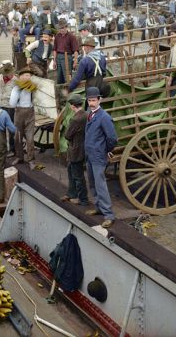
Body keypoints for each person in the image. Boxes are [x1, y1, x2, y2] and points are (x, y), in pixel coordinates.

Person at [84, 87, 117, 229]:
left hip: (98, 156)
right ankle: (98, 207)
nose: (91, 103)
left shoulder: (104, 117)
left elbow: (112, 138)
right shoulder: (89, 115)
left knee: (100, 184)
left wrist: (106, 150)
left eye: (94, 100)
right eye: (89, 100)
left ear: (99, 100)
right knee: (92, 182)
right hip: (89, 155)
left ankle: (109, 215)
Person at [62, 94, 89, 206]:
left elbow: (67, 135)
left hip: (76, 150)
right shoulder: (87, 115)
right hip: (83, 147)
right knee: (70, 169)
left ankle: (83, 199)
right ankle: (72, 194)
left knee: (78, 176)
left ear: (73, 106)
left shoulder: (75, 119)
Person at [9, 67, 37, 165]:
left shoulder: (33, 87)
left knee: (30, 138)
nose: (29, 77)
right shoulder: (16, 89)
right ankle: (19, 157)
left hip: (30, 114)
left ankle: (31, 159)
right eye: (26, 75)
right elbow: (12, 104)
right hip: (19, 114)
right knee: (18, 137)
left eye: (30, 75)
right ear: (21, 77)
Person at [53, 20, 80, 85]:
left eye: (63, 28)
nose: (61, 30)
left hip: (67, 57)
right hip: (58, 57)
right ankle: (60, 92)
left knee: (67, 76)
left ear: (66, 27)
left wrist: (75, 61)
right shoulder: (57, 36)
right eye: (60, 28)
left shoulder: (71, 37)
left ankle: (69, 90)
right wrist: (54, 60)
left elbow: (76, 50)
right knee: (59, 76)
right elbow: (55, 49)